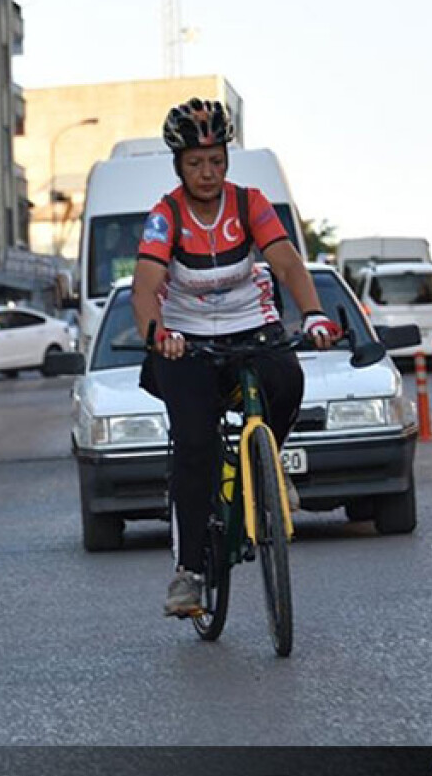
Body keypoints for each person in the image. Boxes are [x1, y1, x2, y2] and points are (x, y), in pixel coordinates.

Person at [130, 99, 341, 618]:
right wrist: (159, 335)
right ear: (179, 164)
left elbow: (287, 263)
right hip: (187, 340)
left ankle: (269, 466)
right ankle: (189, 572)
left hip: (253, 325)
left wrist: (313, 314)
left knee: (288, 381)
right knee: (196, 446)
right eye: (196, 163)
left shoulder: (251, 204)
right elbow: (145, 289)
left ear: (227, 160)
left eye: (217, 161)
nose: (208, 172)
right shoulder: (167, 215)